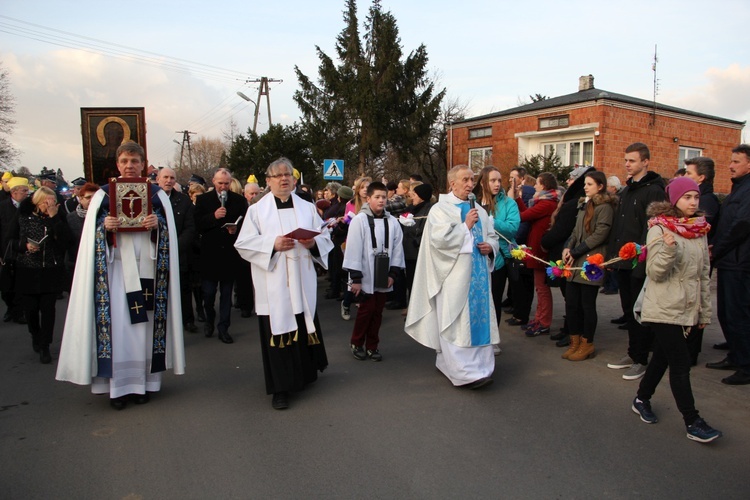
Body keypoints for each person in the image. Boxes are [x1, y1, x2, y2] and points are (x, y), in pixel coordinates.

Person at [56, 142, 185, 410]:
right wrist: (103, 227)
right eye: (125, 160)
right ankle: (117, 388)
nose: (129, 166)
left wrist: (157, 226)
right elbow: (89, 244)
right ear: (117, 164)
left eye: (135, 161)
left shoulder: (157, 195)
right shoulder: (103, 197)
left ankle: (143, 384)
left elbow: (169, 235)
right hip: (114, 275)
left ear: (143, 164)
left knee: (145, 328)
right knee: (119, 328)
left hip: (149, 273)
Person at [234, 157, 332, 409]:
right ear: (268, 181)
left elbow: (324, 235)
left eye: (287, 174)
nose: (283, 179)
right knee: (278, 331)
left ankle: (305, 376)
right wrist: (273, 245)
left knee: (302, 323)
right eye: (277, 175)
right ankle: (280, 389)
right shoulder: (257, 210)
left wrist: (314, 243)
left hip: (301, 280)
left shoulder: (307, 206)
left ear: (295, 179)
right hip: (275, 282)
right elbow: (243, 244)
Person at [631, 176, 722, 443]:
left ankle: (641, 398)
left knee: (662, 356)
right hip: (663, 307)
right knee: (680, 364)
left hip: (687, 308)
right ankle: (692, 421)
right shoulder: (659, 228)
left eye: (696, 197)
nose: (693, 202)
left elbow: (703, 275)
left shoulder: (699, 229)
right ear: (674, 200)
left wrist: (704, 311)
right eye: (687, 197)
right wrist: (669, 250)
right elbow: (655, 272)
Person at [405, 165, 500, 389]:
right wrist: (465, 226)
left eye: (472, 179)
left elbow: (493, 236)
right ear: (452, 184)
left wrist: (491, 247)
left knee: (478, 320)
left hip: (479, 280)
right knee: (456, 322)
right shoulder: (441, 209)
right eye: (465, 180)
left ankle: (482, 369)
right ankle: (462, 372)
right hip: (453, 278)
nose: (470, 184)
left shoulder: (481, 210)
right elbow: (439, 242)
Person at [605, 143, 667, 380]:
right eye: (626, 160)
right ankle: (633, 353)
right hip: (622, 260)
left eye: (632, 160)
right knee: (628, 311)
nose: (627, 164)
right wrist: (613, 257)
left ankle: (641, 359)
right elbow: (619, 227)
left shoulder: (654, 191)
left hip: (638, 263)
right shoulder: (627, 190)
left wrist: (641, 263)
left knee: (640, 313)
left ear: (645, 162)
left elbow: (650, 229)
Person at [342, 181, 405, 361]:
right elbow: (353, 249)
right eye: (377, 197)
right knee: (366, 310)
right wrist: (355, 278)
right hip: (364, 274)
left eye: (384, 197)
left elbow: (397, 248)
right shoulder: (359, 221)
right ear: (368, 199)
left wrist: (393, 273)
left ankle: (372, 345)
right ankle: (356, 341)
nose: (381, 201)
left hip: (383, 273)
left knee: (378, 312)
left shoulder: (392, 222)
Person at [705, 144, 750, 385]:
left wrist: (718, 249)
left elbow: (741, 226)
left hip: (740, 263)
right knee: (726, 312)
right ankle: (735, 354)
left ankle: (746, 365)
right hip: (729, 260)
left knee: (737, 313)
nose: (730, 166)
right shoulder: (738, 189)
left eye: (736, 161)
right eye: (731, 161)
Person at [561, 171, 616, 361]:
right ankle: (574, 342)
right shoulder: (584, 204)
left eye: (590, 184)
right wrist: (568, 248)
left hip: (591, 261)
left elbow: (601, 233)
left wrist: (577, 251)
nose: (585, 187)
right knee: (572, 304)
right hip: (575, 262)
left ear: (600, 186)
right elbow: (576, 231)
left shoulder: (605, 207)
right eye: (585, 183)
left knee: (587, 305)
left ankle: (587, 343)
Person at [16, 186, 71, 363]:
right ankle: (35, 334)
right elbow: (10, 238)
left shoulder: (58, 216)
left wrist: (55, 218)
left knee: (48, 309)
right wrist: (24, 246)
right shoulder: (24, 216)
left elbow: (67, 241)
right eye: (44, 203)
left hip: (51, 268)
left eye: (51, 202)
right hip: (28, 268)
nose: (48, 206)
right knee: (31, 309)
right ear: (36, 202)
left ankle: (45, 344)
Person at [194, 168, 246, 343]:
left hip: (230, 254)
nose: (223, 186)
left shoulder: (239, 201)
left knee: (226, 294)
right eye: (220, 183)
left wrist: (236, 228)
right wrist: (213, 217)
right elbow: (197, 225)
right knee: (208, 293)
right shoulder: (203, 200)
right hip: (210, 254)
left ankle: (224, 327)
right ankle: (209, 318)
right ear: (213, 182)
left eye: (226, 183)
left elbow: (247, 224)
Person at [473, 167, 520, 354]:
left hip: (498, 258)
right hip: (475, 258)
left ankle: (492, 339)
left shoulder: (508, 203)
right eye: (493, 180)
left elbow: (512, 228)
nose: (497, 184)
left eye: (499, 180)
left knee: (493, 299)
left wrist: (491, 221)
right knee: (477, 299)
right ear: (483, 182)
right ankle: (475, 336)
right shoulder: (473, 202)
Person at [513, 172, 559, 337]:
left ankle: (544, 322)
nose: (534, 187)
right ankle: (539, 319)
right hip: (537, 249)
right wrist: (518, 200)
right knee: (540, 287)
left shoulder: (547, 203)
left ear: (544, 185)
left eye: (537, 184)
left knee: (542, 288)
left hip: (540, 250)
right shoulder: (543, 202)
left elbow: (525, 216)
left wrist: (512, 211)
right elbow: (528, 213)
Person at [157, 167, 197, 333]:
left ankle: (187, 320)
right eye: (165, 177)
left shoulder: (183, 200)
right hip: (156, 254)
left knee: (183, 290)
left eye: (172, 178)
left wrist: (174, 248)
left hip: (179, 254)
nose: (169, 181)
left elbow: (190, 228)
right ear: (158, 179)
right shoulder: (151, 200)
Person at [0, 176, 29, 324]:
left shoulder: (29, 207)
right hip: (6, 251)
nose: (27, 193)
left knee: (21, 284)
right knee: (6, 287)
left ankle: (19, 312)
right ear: (14, 192)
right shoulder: (2, 207)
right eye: (24, 190)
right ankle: (10, 308)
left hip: (24, 251)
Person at [401, 183, 433, 313]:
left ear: (421, 196)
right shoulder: (412, 209)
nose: (411, 197)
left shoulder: (429, 209)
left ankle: (419, 309)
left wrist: (416, 241)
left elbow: (427, 230)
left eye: (414, 195)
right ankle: (413, 306)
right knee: (410, 281)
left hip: (418, 251)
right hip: (409, 252)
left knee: (419, 282)